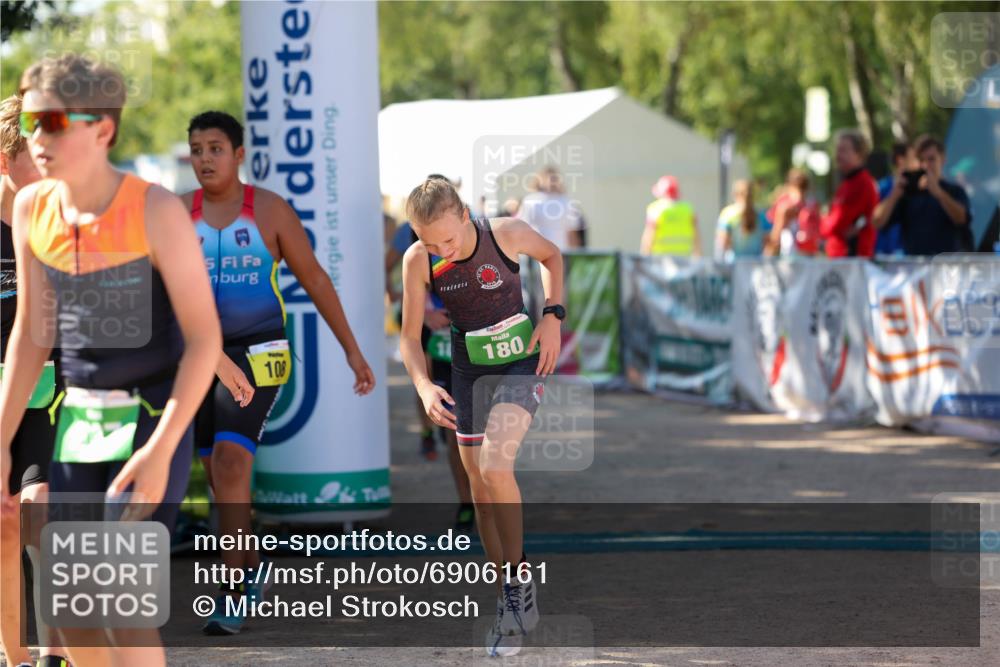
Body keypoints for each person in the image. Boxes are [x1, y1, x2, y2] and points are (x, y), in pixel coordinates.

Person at [0, 54, 221, 667]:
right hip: (82, 425)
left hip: (154, 422)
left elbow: (204, 339)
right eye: (32, 122)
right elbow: (31, 333)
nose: (37, 138)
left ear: (102, 129)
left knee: (121, 610)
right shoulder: (32, 209)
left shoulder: (156, 212)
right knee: (76, 620)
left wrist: (161, 449)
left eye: (53, 122)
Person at [182, 110, 375, 635]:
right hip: (201, 355)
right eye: (197, 149)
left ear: (239, 154)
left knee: (228, 463)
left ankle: (231, 591)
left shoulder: (268, 210)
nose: (205, 159)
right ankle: (250, 565)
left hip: (260, 351)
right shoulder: (179, 213)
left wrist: (353, 352)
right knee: (218, 476)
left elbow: (314, 279)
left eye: (215, 148)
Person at [399, 177, 563, 656]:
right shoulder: (418, 260)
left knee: (495, 466)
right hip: (467, 371)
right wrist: (425, 385)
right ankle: (509, 601)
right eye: (429, 242)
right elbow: (409, 338)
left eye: (447, 239)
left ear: (466, 215)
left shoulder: (506, 233)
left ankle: (518, 585)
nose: (439, 250)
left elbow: (552, 255)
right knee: (481, 496)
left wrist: (553, 314)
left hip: (520, 361)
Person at [0, 94, 70, 667]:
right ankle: (15, 655)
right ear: (6, 160)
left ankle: (53, 654)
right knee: (4, 526)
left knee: (37, 510)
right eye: (38, 158)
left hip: (52, 393)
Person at [385, 181, 474, 530]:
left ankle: (489, 499)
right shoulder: (411, 244)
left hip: (475, 340)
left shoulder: (474, 230)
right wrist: (411, 306)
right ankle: (466, 501)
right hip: (433, 329)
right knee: (456, 429)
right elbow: (388, 265)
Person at [873, 134, 973, 256]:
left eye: (931, 159)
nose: (926, 166)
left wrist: (939, 193)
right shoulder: (908, 194)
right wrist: (894, 194)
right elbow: (877, 222)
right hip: (915, 268)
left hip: (947, 268)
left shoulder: (955, 191)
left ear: (943, 159)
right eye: (921, 160)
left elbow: (962, 219)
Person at [820, 129, 878, 258]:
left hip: (853, 257)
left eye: (843, 150)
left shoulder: (862, 183)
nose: (837, 155)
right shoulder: (847, 183)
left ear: (859, 154)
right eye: (837, 150)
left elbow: (838, 223)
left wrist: (823, 223)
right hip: (841, 256)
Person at [517, 166, 583, 252]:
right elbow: (523, 229)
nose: (550, 181)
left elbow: (572, 232)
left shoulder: (566, 201)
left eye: (554, 178)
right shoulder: (531, 200)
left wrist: (574, 255)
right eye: (547, 178)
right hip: (537, 253)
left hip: (561, 253)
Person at [871, 141, 915, 256]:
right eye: (913, 158)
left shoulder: (918, 188)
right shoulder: (882, 187)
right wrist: (894, 195)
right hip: (885, 254)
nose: (918, 163)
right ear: (901, 160)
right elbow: (875, 220)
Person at [641, 174, 701, 257]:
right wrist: (697, 256)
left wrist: (645, 257)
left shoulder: (656, 209)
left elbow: (648, 238)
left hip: (661, 261)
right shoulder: (688, 209)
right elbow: (696, 237)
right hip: (684, 260)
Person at [765, 168, 820, 257]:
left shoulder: (786, 206)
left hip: (791, 255)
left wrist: (768, 253)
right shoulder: (812, 204)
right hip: (809, 254)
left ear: (789, 185)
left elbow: (776, 235)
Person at [714, 179, 766, 261]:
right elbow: (768, 241)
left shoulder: (727, 214)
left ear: (734, 194)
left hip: (734, 264)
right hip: (757, 264)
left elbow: (722, 243)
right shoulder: (761, 214)